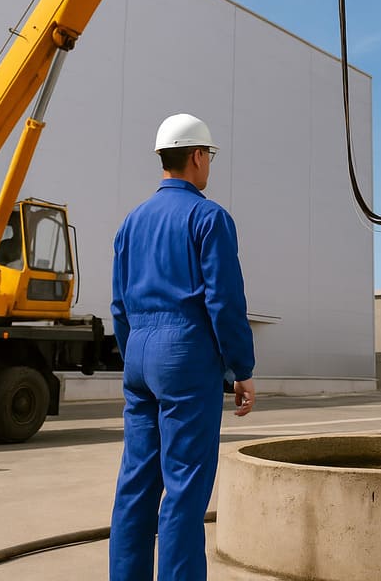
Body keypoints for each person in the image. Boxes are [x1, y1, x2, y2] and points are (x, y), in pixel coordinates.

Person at [109, 113, 256, 581]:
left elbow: (118, 303)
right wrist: (241, 367)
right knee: (184, 489)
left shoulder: (132, 222)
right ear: (196, 156)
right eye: (208, 156)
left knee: (136, 485)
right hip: (185, 355)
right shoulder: (208, 217)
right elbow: (224, 301)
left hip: (139, 353)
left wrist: (132, 353)